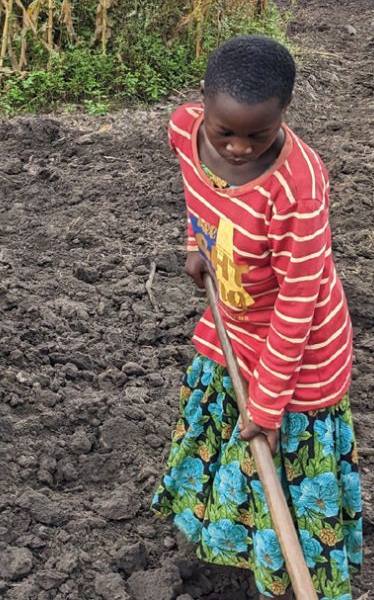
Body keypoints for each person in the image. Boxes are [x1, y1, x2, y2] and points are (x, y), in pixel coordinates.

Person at [151, 36, 361, 599]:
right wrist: (197, 245)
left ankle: (286, 575)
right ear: (203, 107)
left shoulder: (298, 187)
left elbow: (301, 300)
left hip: (300, 343)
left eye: (258, 134)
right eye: (226, 133)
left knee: (279, 451)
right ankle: (226, 547)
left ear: (283, 117)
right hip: (233, 320)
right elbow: (197, 191)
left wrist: (268, 405)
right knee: (225, 424)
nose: (239, 148)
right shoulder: (183, 129)